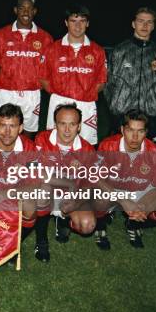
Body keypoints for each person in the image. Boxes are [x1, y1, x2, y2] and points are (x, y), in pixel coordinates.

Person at [0, 103, 47, 260]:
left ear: (20, 128)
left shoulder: (30, 149)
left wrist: (7, 192)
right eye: (3, 125)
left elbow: (36, 185)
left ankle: (14, 243)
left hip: (12, 203)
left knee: (32, 203)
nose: (7, 132)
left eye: (12, 126)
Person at [93, 109, 156, 250]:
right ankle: (100, 227)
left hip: (140, 192)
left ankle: (134, 224)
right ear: (122, 130)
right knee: (98, 199)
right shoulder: (108, 146)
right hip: (114, 190)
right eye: (130, 130)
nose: (135, 136)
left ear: (146, 132)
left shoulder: (155, 152)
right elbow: (96, 178)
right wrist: (123, 201)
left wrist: (145, 210)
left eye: (140, 131)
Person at [41, 5, 107, 146]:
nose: (78, 25)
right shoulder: (52, 49)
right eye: (73, 20)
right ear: (66, 22)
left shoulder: (97, 51)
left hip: (86, 104)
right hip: (58, 102)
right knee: (55, 145)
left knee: (86, 146)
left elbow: (101, 81)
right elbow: (44, 78)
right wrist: (61, 95)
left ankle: (83, 169)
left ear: (88, 23)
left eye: (82, 21)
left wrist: (84, 95)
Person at [35, 103, 96, 251]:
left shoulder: (87, 149)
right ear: (55, 124)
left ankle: (63, 220)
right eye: (62, 124)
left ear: (79, 126)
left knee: (87, 224)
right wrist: (69, 183)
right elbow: (37, 173)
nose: (67, 130)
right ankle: (41, 239)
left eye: (72, 124)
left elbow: (91, 185)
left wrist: (76, 203)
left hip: (70, 196)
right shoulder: (42, 139)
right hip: (46, 193)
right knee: (42, 191)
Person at [104, 7, 156, 143]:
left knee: (148, 158)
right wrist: (116, 106)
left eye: (149, 22)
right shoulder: (119, 51)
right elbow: (108, 83)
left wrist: (153, 104)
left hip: (149, 115)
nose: (145, 25)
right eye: (141, 21)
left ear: (153, 26)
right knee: (117, 155)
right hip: (122, 114)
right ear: (133, 24)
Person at [0, 0, 54, 138]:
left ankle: (25, 160)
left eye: (29, 9)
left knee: (28, 132)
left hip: (32, 93)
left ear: (34, 11)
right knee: (4, 130)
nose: (25, 12)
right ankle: (3, 160)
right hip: (7, 91)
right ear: (15, 10)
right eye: (22, 8)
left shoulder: (45, 38)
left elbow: (47, 70)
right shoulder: (1, 35)